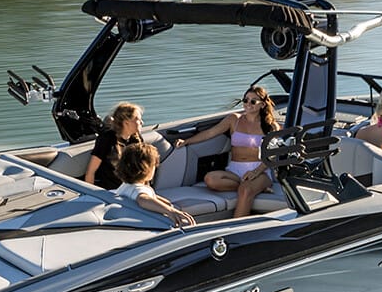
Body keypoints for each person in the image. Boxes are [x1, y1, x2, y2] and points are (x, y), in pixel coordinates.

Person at [175, 84, 278, 217]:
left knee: (246, 190)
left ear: (262, 105)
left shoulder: (271, 126)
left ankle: (236, 227)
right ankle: (257, 188)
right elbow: (210, 133)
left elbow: (273, 154)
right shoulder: (233, 119)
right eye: (245, 100)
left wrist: (256, 172)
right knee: (210, 179)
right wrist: (187, 141)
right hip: (235, 170)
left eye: (253, 101)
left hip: (261, 171)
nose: (248, 104)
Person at [114, 141, 195, 227]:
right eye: (154, 165)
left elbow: (148, 197)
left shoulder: (125, 186)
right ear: (146, 169)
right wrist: (170, 211)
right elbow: (143, 199)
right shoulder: (140, 190)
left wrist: (166, 203)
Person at [83, 101, 144, 190]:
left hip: (130, 188)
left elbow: (142, 171)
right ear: (126, 122)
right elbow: (90, 172)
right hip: (111, 191)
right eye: (137, 119)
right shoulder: (107, 139)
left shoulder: (136, 139)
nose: (142, 122)